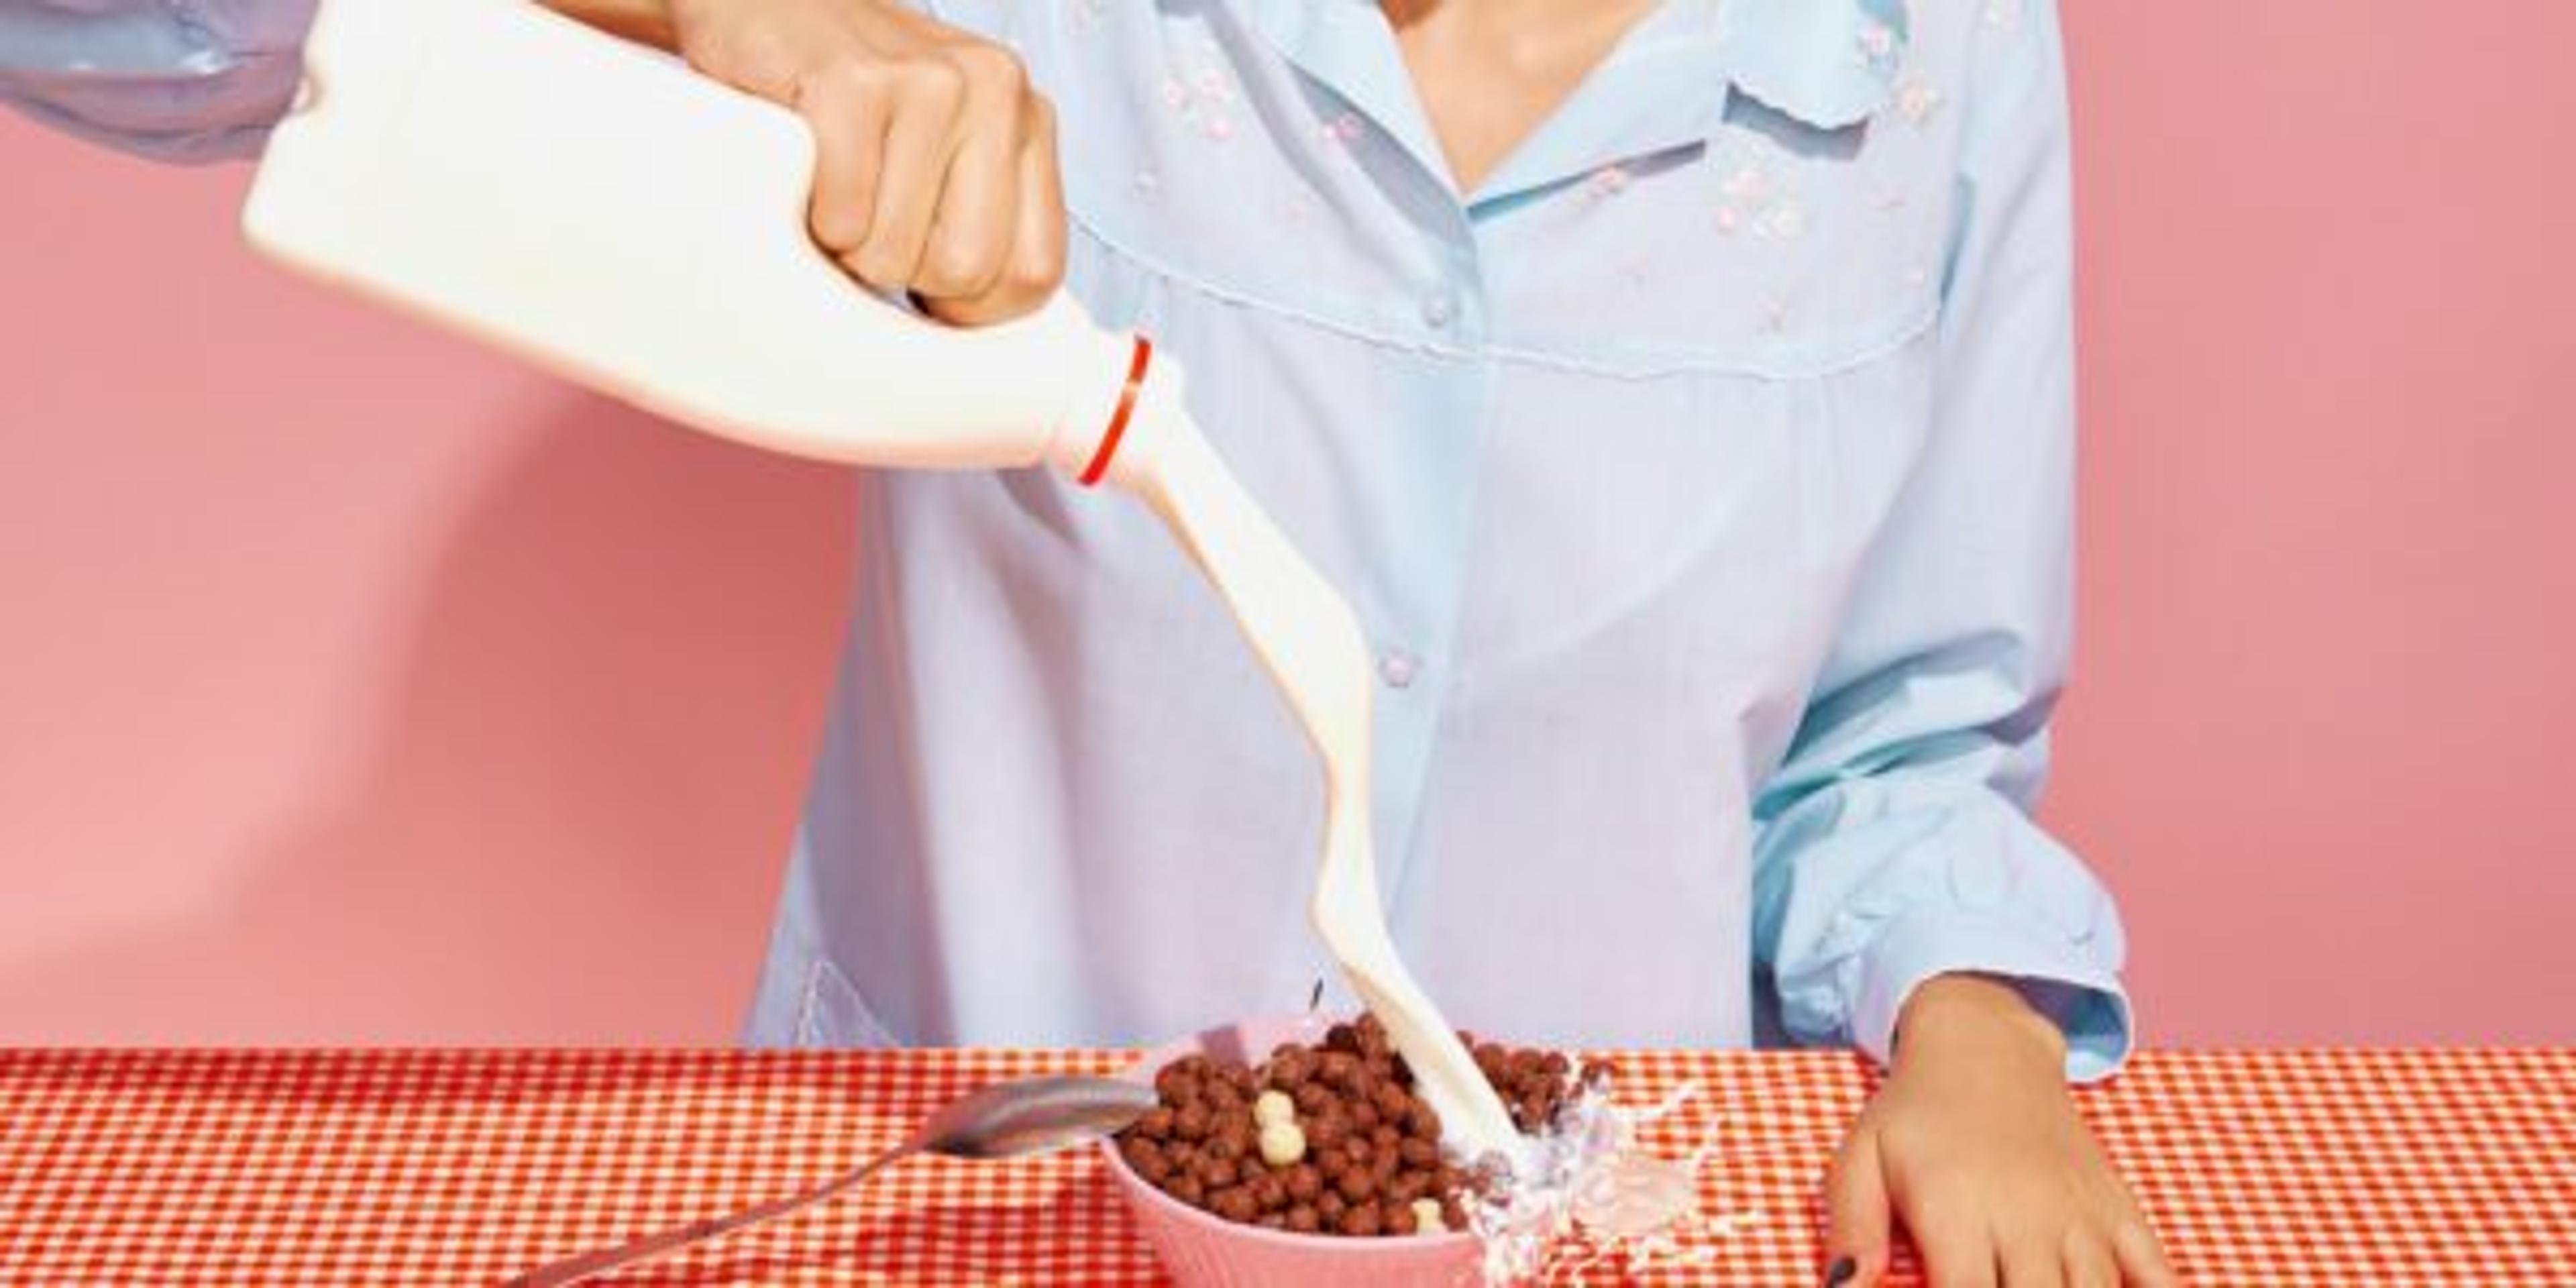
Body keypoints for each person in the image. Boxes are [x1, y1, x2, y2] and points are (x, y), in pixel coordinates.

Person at [3, 0, 2177, 1282]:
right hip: (961, 1202)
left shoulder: (1927, 55)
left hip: (1601, 1229)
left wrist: (1977, 1035)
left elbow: (1906, 741)